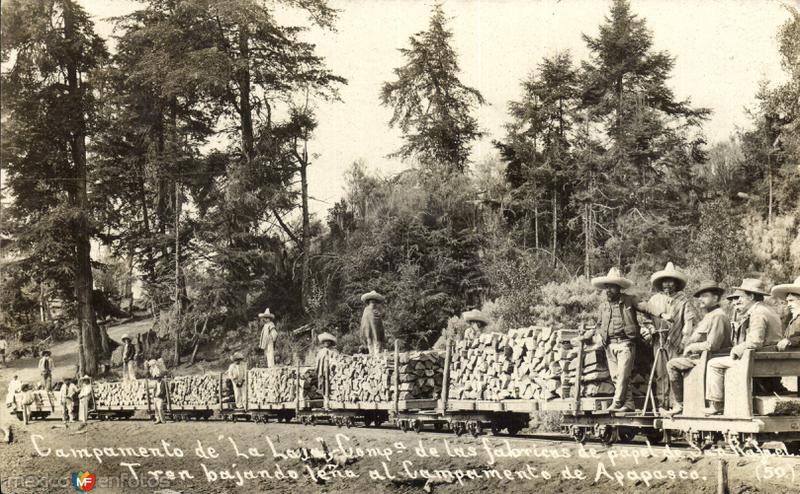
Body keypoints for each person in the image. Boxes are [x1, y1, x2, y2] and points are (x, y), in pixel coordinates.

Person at [705, 279, 783, 415]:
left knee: (713, 364)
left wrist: (736, 349)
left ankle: (717, 404)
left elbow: (755, 342)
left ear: (752, 297)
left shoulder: (758, 313)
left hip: (759, 359)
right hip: (769, 357)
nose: (737, 301)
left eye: (740, 297)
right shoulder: (767, 310)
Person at [588, 267, 658, 412]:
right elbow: (599, 325)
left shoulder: (629, 300)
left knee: (622, 375)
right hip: (610, 345)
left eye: (612, 287)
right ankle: (629, 403)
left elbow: (646, 307)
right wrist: (596, 335)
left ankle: (618, 403)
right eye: (607, 287)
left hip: (626, 344)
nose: (609, 290)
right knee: (615, 377)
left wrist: (662, 314)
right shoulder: (603, 306)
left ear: (619, 288)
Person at [662, 281, 730, 416]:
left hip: (709, 358)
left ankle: (680, 405)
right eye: (700, 296)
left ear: (715, 298)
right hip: (702, 357)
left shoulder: (717, 316)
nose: (700, 299)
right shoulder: (710, 315)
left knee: (672, 364)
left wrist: (692, 347)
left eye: (705, 296)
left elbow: (713, 345)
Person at [643, 262, 698, 410]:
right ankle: (662, 404)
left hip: (676, 342)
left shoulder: (683, 301)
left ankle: (677, 404)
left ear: (676, 283)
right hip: (658, 341)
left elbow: (689, 322)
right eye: (665, 281)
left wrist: (684, 341)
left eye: (670, 281)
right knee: (660, 373)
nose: (667, 284)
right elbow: (646, 320)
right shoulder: (654, 300)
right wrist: (650, 330)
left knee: (674, 372)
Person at [771, 276, 800, 351]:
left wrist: (790, 341)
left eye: (791, 300)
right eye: (787, 301)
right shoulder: (795, 317)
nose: (788, 305)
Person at [360, 291, 386, 355]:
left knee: (376, 339)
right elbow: (364, 322)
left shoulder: (378, 308)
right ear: (369, 301)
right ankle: (372, 354)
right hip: (368, 329)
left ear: (376, 301)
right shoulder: (366, 310)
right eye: (371, 301)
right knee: (369, 339)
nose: (372, 303)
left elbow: (383, 314)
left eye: (374, 301)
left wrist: (380, 314)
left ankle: (376, 354)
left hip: (377, 329)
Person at [315, 332, 339, 397]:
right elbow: (317, 361)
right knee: (322, 382)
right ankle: (323, 395)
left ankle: (331, 395)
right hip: (322, 370)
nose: (327, 343)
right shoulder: (321, 351)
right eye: (325, 342)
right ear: (323, 343)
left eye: (328, 342)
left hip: (331, 370)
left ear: (330, 342)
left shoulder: (334, 351)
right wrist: (317, 368)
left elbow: (336, 360)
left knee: (330, 382)